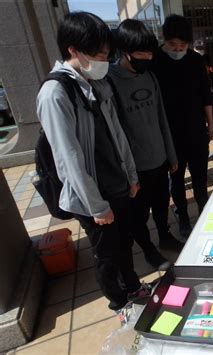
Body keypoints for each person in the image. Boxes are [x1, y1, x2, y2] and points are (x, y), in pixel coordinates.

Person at [36, 12, 148, 314]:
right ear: (74, 50)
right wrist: (96, 206)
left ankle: (133, 287)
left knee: (124, 242)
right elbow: (67, 158)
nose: (105, 60)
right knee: (106, 253)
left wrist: (131, 174)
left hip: (118, 182)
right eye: (100, 54)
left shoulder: (96, 81)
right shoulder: (55, 93)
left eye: (107, 54)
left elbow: (117, 133)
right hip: (92, 195)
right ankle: (119, 301)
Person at [108, 19, 181, 266]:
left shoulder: (149, 77)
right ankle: (149, 250)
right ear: (125, 51)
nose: (148, 57)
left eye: (150, 52)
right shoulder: (110, 82)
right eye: (142, 53)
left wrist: (171, 155)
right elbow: (114, 132)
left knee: (161, 204)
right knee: (138, 215)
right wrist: (127, 173)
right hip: (135, 167)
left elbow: (162, 117)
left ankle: (165, 236)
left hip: (159, 159)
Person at [152, 14, 213, 238]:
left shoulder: (195, 60)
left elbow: (206, 95)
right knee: (176, 180)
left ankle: (204, 212)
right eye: (172, 45)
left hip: (196, 130)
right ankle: (183, 218)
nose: (178, 50)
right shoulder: (155, 61)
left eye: (182, 45)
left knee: (200, 177)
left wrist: (211, 124)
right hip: (171, 135)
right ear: (163, 39)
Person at [194, 39, 213, 138]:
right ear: (194, 49)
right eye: (198, 48)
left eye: (201, 48)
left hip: (209, 87)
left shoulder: (207, 57)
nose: (200, 50)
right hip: (197, 90)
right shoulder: (191, 60)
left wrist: (212, 69)